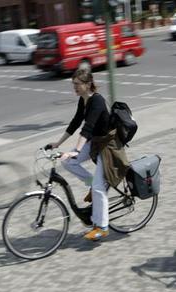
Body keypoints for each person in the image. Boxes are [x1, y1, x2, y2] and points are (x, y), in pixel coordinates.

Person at [47, 69, 128, 241]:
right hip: (95, 142)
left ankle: (102, 227)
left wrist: (76, 150)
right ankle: (93, 183)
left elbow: (87, 128)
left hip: (107, 146)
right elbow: (75, 123)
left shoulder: (96, 101)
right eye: (73, 84)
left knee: (99, 188)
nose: (74, 87)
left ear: (87, 84)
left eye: (77, 84)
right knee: (67, 162)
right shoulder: (83, 101)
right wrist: (58, 144)